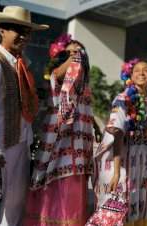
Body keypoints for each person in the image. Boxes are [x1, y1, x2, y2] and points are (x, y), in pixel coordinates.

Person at [0, 6, 49, 225]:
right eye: (17, 29)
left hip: (21, 143)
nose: (23, 36)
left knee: (15, 204)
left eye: (27, 31)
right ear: (2, 31)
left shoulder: (22, 64)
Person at [23, 34, 101, 225]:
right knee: (55, 179)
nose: (77, 55)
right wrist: (73, 58)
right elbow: (57, 75)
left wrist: (96, 127)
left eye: (79, 52)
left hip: (80, 143)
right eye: (72, 52)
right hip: (59, 139)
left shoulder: (84, 83)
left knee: (75, 181)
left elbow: (86, 108)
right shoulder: (55, 77)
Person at [91, 59, 147, 226]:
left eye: (146, 70)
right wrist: (116, 172)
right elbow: (118, 135)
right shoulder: (123, 99)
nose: (141, 73)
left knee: (142, 205)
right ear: (131, 75)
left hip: (145, 163)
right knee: (122, 208)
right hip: (124, 162)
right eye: (137, 70)